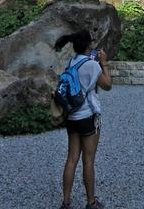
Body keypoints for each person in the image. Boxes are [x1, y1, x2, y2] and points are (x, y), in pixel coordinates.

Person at [55, 30, 112, 209]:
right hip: (88, 115)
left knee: (71, 159)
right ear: (89, 45)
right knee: (88, 160)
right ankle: (91, 202)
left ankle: (66, 202)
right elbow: (107, 85)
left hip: (72, 115)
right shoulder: (93, 65)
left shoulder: (71, 62)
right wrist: (104, 64)